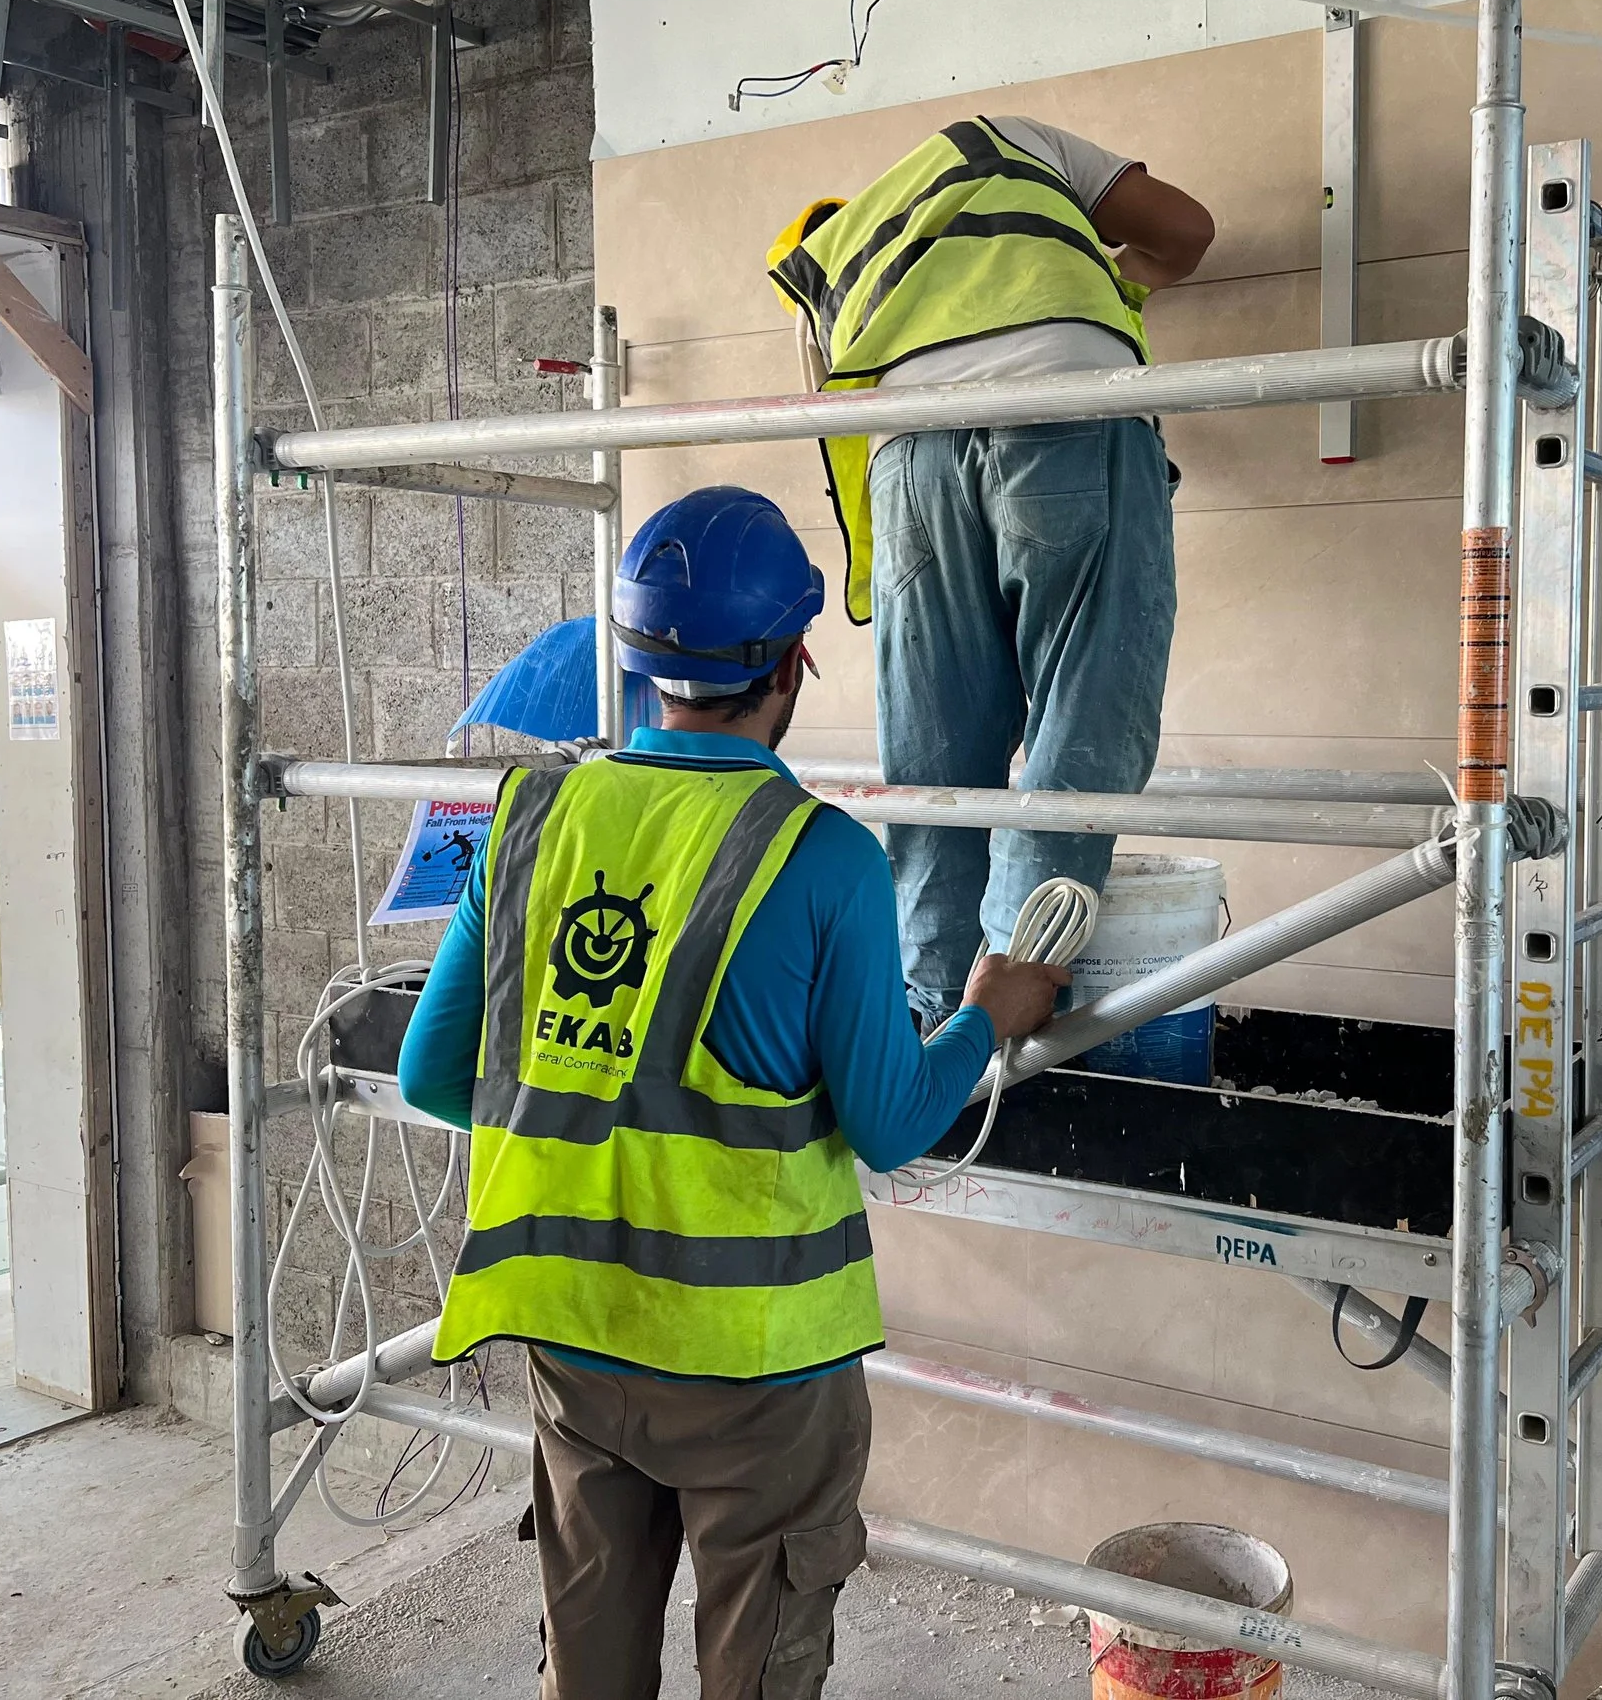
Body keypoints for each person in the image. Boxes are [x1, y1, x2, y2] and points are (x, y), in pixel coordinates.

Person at [396, 486, 1067, 1700]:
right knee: (756, 1662)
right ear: (795, 659)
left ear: (638, 657)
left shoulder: (527, 817)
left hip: (570, 1334)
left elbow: (437, 1075)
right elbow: (894, 1123)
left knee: (589, 1651)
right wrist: (987, 1018)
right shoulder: (821, 856)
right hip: (756, 1365)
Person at [766, 115, 1215, 1030]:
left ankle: (933, 1007)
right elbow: (1186, 231)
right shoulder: (1001, 141)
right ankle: (1019, 964)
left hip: (911, 459)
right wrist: (1119, 283)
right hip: (1063, 401)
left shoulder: (846, 264)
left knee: (936, 753)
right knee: (1088, 699)